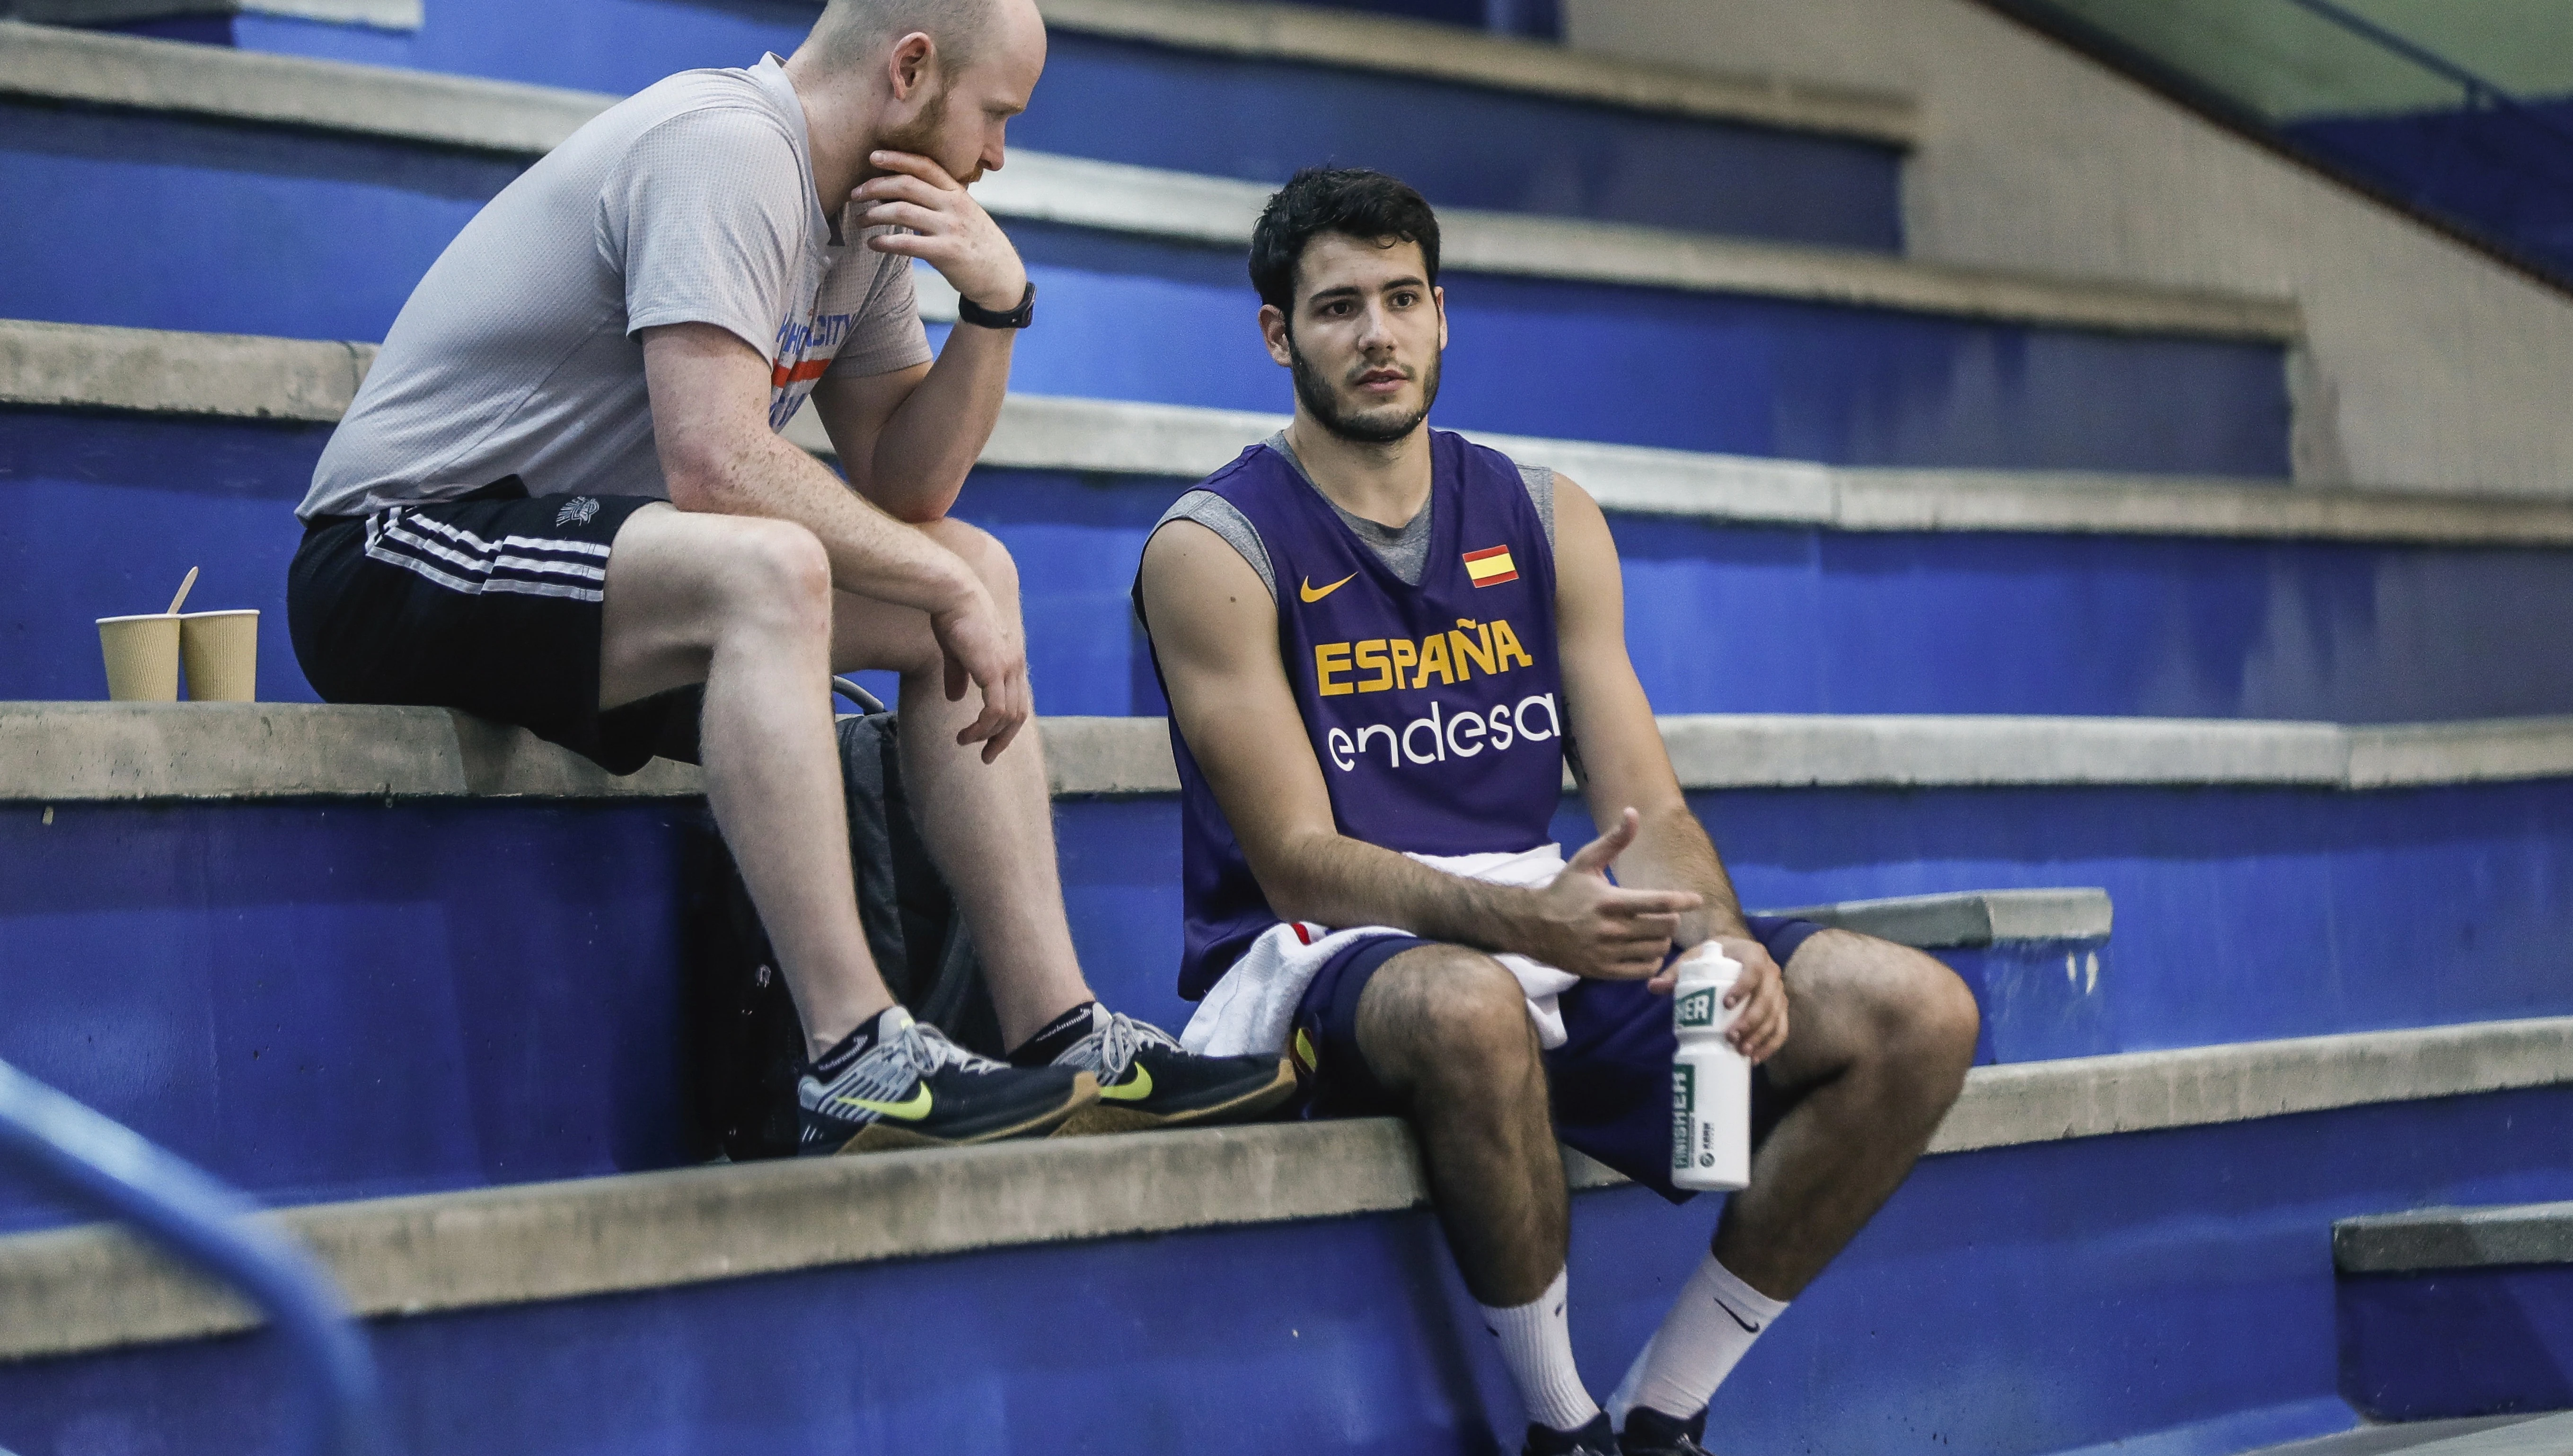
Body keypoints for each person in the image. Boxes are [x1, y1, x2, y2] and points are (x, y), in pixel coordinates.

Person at [287, 0, 1291, 1154]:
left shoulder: (862, 218)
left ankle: (1059, 1033)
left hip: (589, 578)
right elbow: (714, 461)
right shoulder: (726, 148)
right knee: (781, 567)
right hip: (396, 551)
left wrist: (996, 310)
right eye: (996, 116)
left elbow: (911, 489)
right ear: (912, 69)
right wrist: (935, 580)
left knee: (972, 567)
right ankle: (853, 1049)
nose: (998, 157)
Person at [1134, 167, 1981, 1456]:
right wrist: (1524, 913)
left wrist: (1720, 935)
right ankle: (1561, 1424)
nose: (1378, 334)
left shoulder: (1543, 512)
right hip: (1330, 960)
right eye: (1339, 307)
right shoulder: (1216, 547)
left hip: (1552, 925)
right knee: (1471, 1005)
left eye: (1404, 299)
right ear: (1275, 332)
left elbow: (1649, 799)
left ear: (1443, 314)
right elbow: (1301, 865)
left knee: (1917, 1011)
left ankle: (1667, 1407)